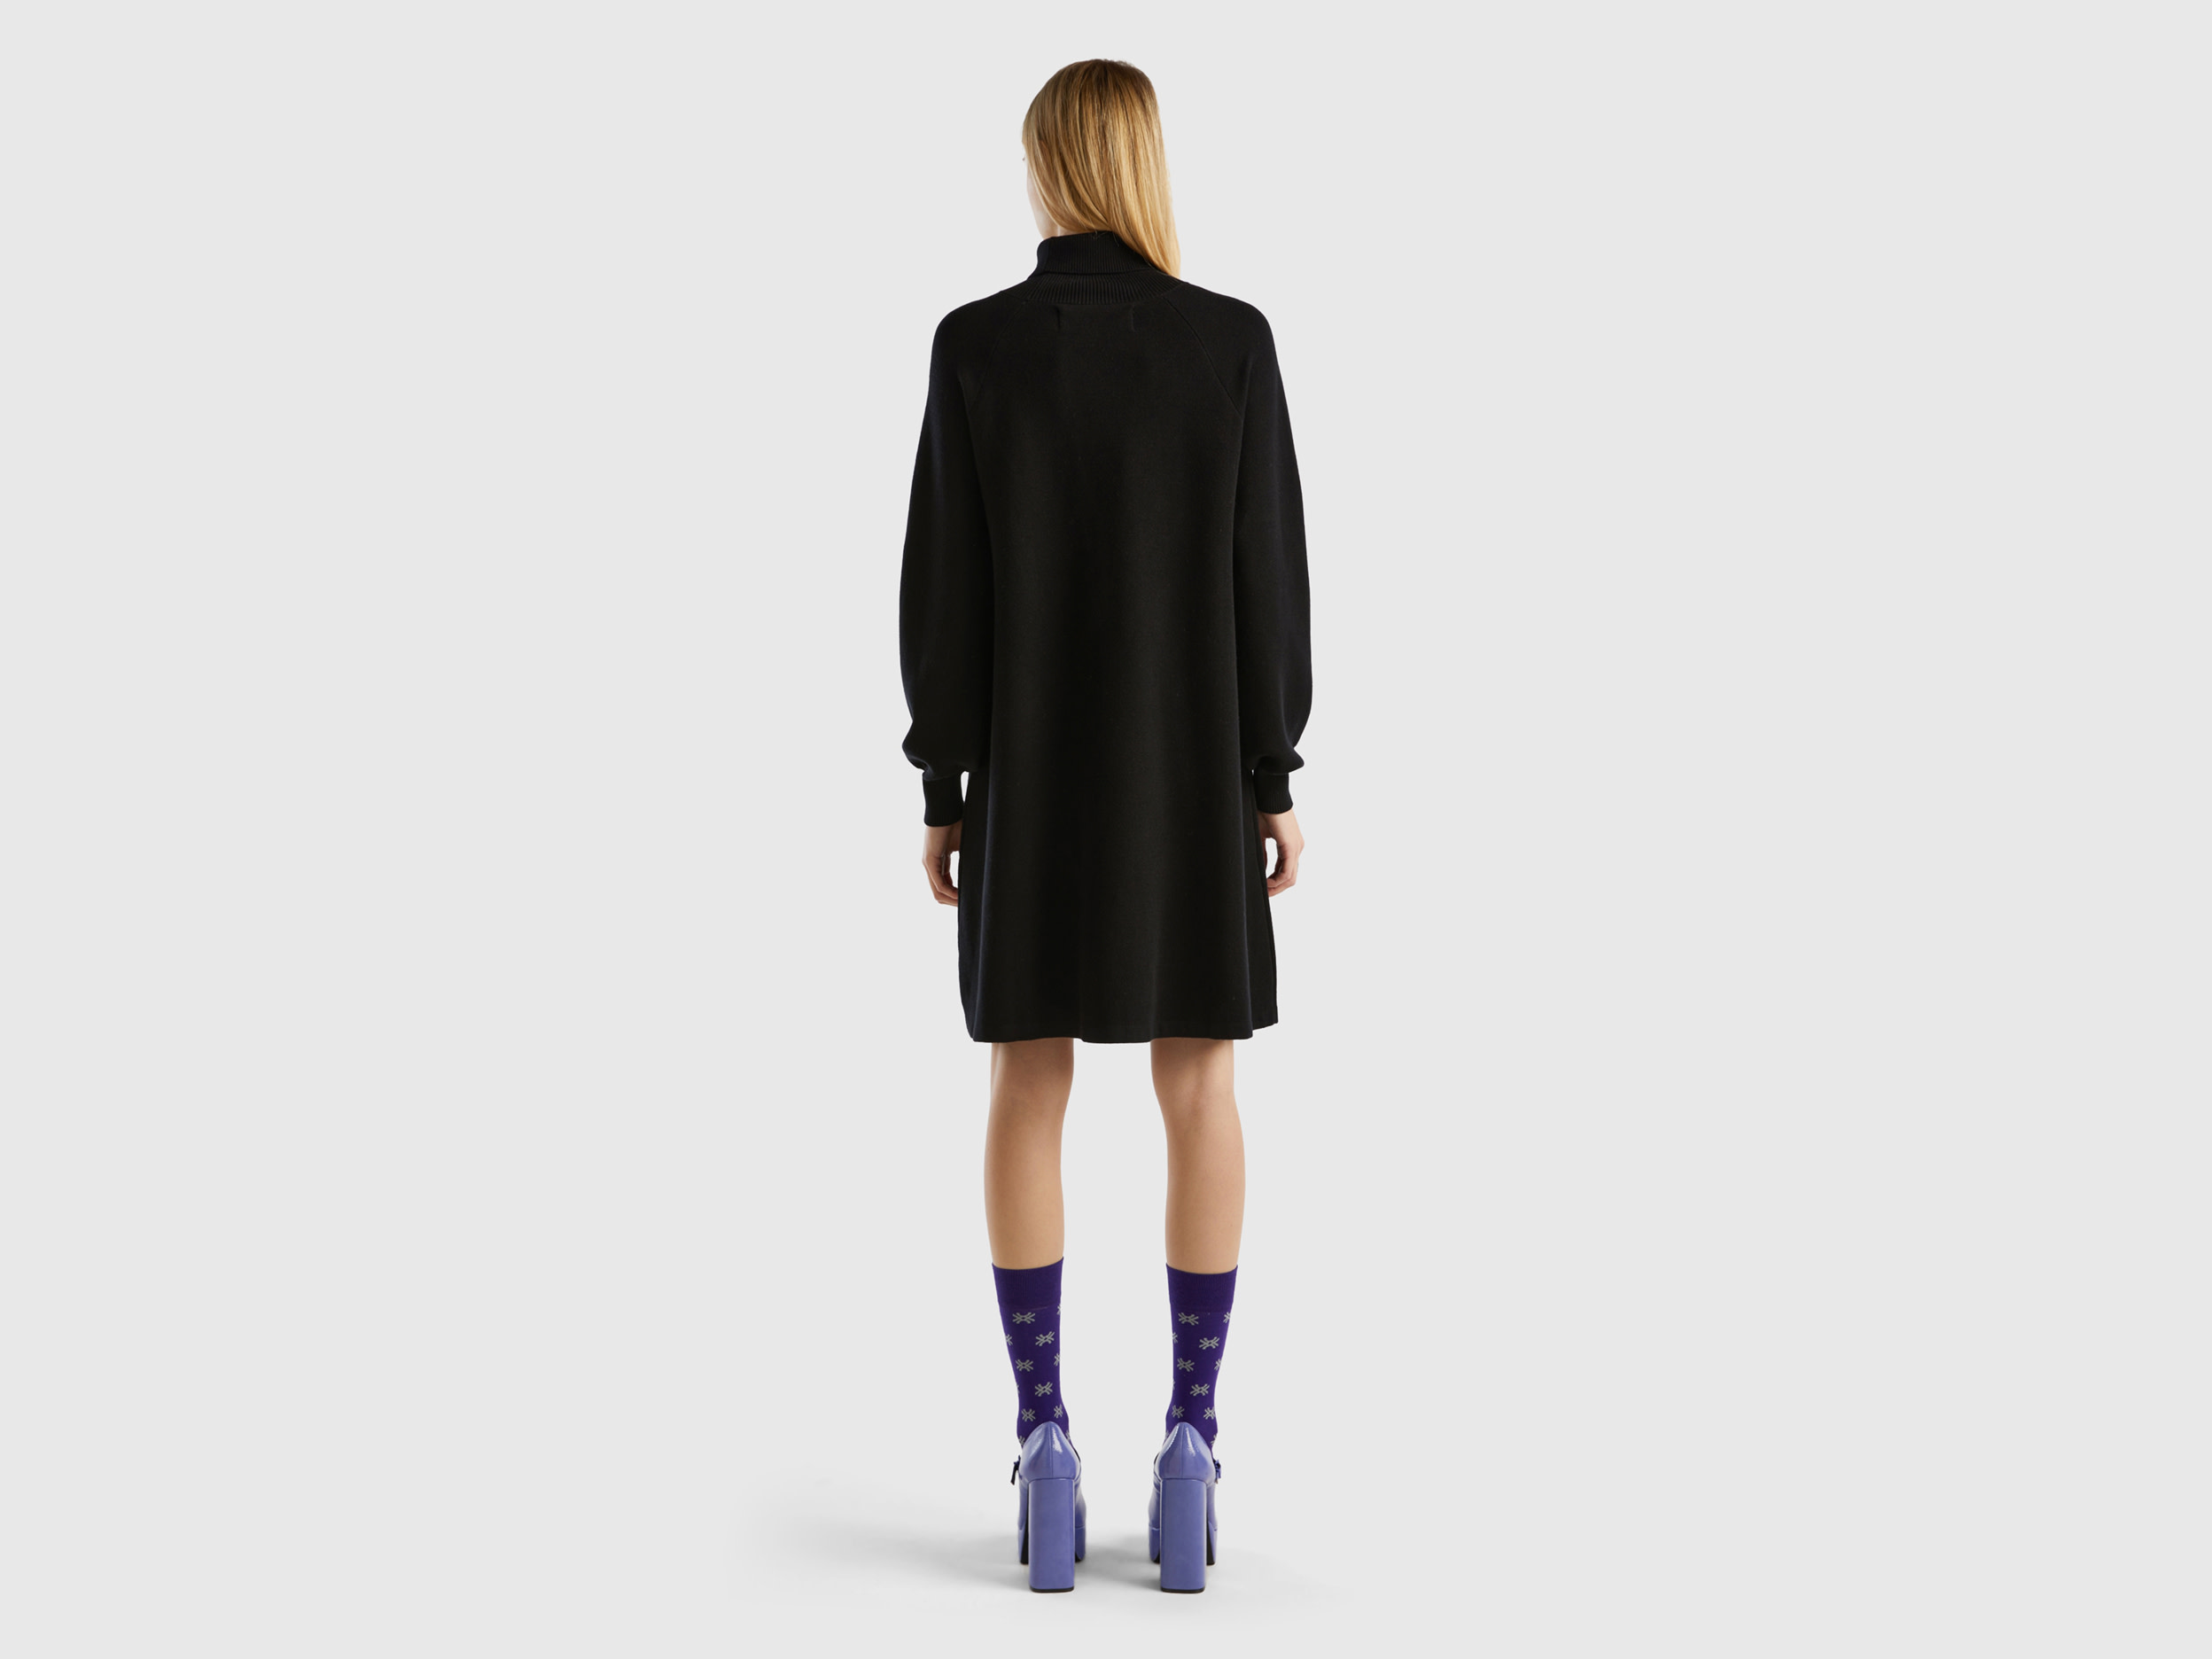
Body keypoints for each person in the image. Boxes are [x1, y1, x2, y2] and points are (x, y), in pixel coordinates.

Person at [898, 58, 1312, 1594]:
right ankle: (1193, 1443)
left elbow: (945, 588)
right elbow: (1267, 577)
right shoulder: (1230, 344)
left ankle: (1045, 1439)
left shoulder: (976, 347)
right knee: (1200, 1091)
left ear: (1047, 168)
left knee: (1028, 1085)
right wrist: (1271, 775)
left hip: (1032, 780)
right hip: (1191, 779)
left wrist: (944, 785)